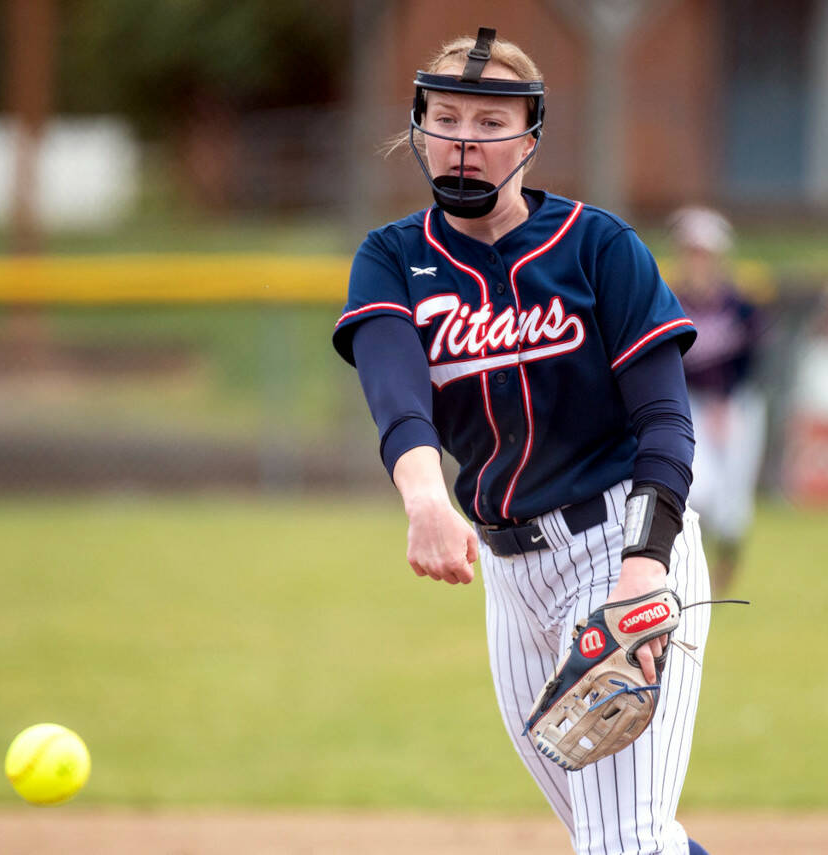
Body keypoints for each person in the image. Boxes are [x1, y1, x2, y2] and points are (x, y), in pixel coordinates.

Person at [332, 28, 717, 855]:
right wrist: (426, 496)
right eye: (446, 117)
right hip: (512, 576)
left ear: (529, 137)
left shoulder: (597, 246)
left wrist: (642, 572)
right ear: (418, 127)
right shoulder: (393, 258)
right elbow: (396, 391)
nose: (465, 139)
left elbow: (666, 422)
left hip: (623, 544)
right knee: (614, 833)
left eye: (491, 120)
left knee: (623, 842)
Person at [668, 208, 767, 596]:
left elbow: (754, 359)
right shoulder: (668, 298)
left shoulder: (741, 303)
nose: (697, 260)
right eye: (690, 251)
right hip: (689, 403)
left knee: (733, 504)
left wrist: (727, 402)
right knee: (697, 490)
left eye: (704, 252)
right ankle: (690, 571)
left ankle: (724, 576)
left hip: (738, 405)